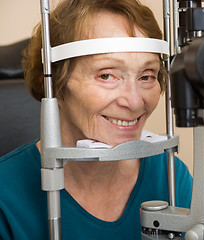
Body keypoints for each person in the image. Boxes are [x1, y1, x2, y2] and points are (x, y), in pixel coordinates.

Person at [0, 0, 193, 239]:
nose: (134, 102)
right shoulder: (5, 196)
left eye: (146, 76)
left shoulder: (171, 176)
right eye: (106, 75)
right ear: (53, 86)